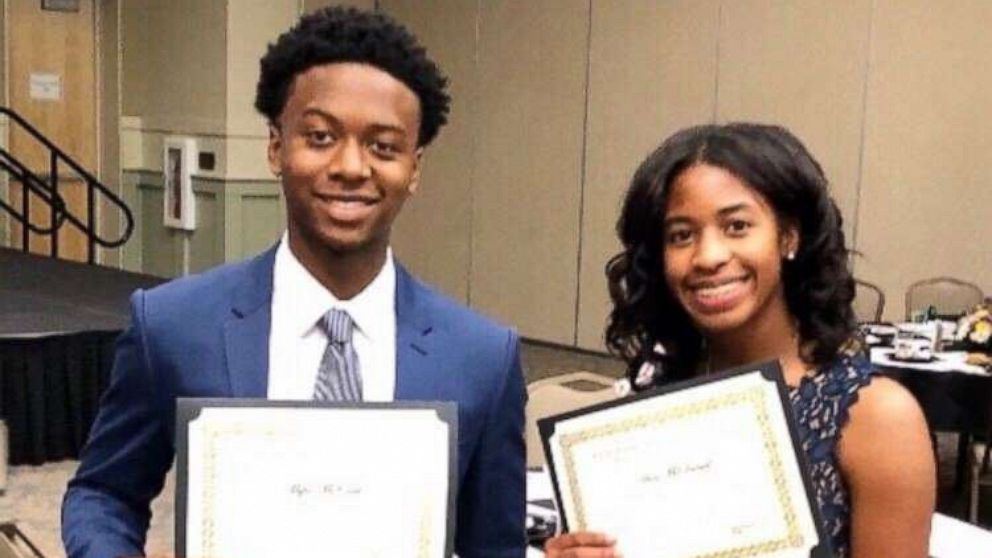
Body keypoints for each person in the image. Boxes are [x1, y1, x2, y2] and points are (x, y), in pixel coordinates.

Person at [61, 7, 525, 558]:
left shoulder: (482, 357)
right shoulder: (172, 324)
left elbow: (493, 548)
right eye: (321, 136)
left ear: (415, 167)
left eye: (384, 146)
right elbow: (102, 493)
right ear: (277, 147)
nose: (352, 166)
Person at [545, 123, 935, 557]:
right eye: (681, 235)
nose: (709, 256)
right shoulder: (658, 399)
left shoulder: (877, 419)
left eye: (736, 226)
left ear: (788, 236)